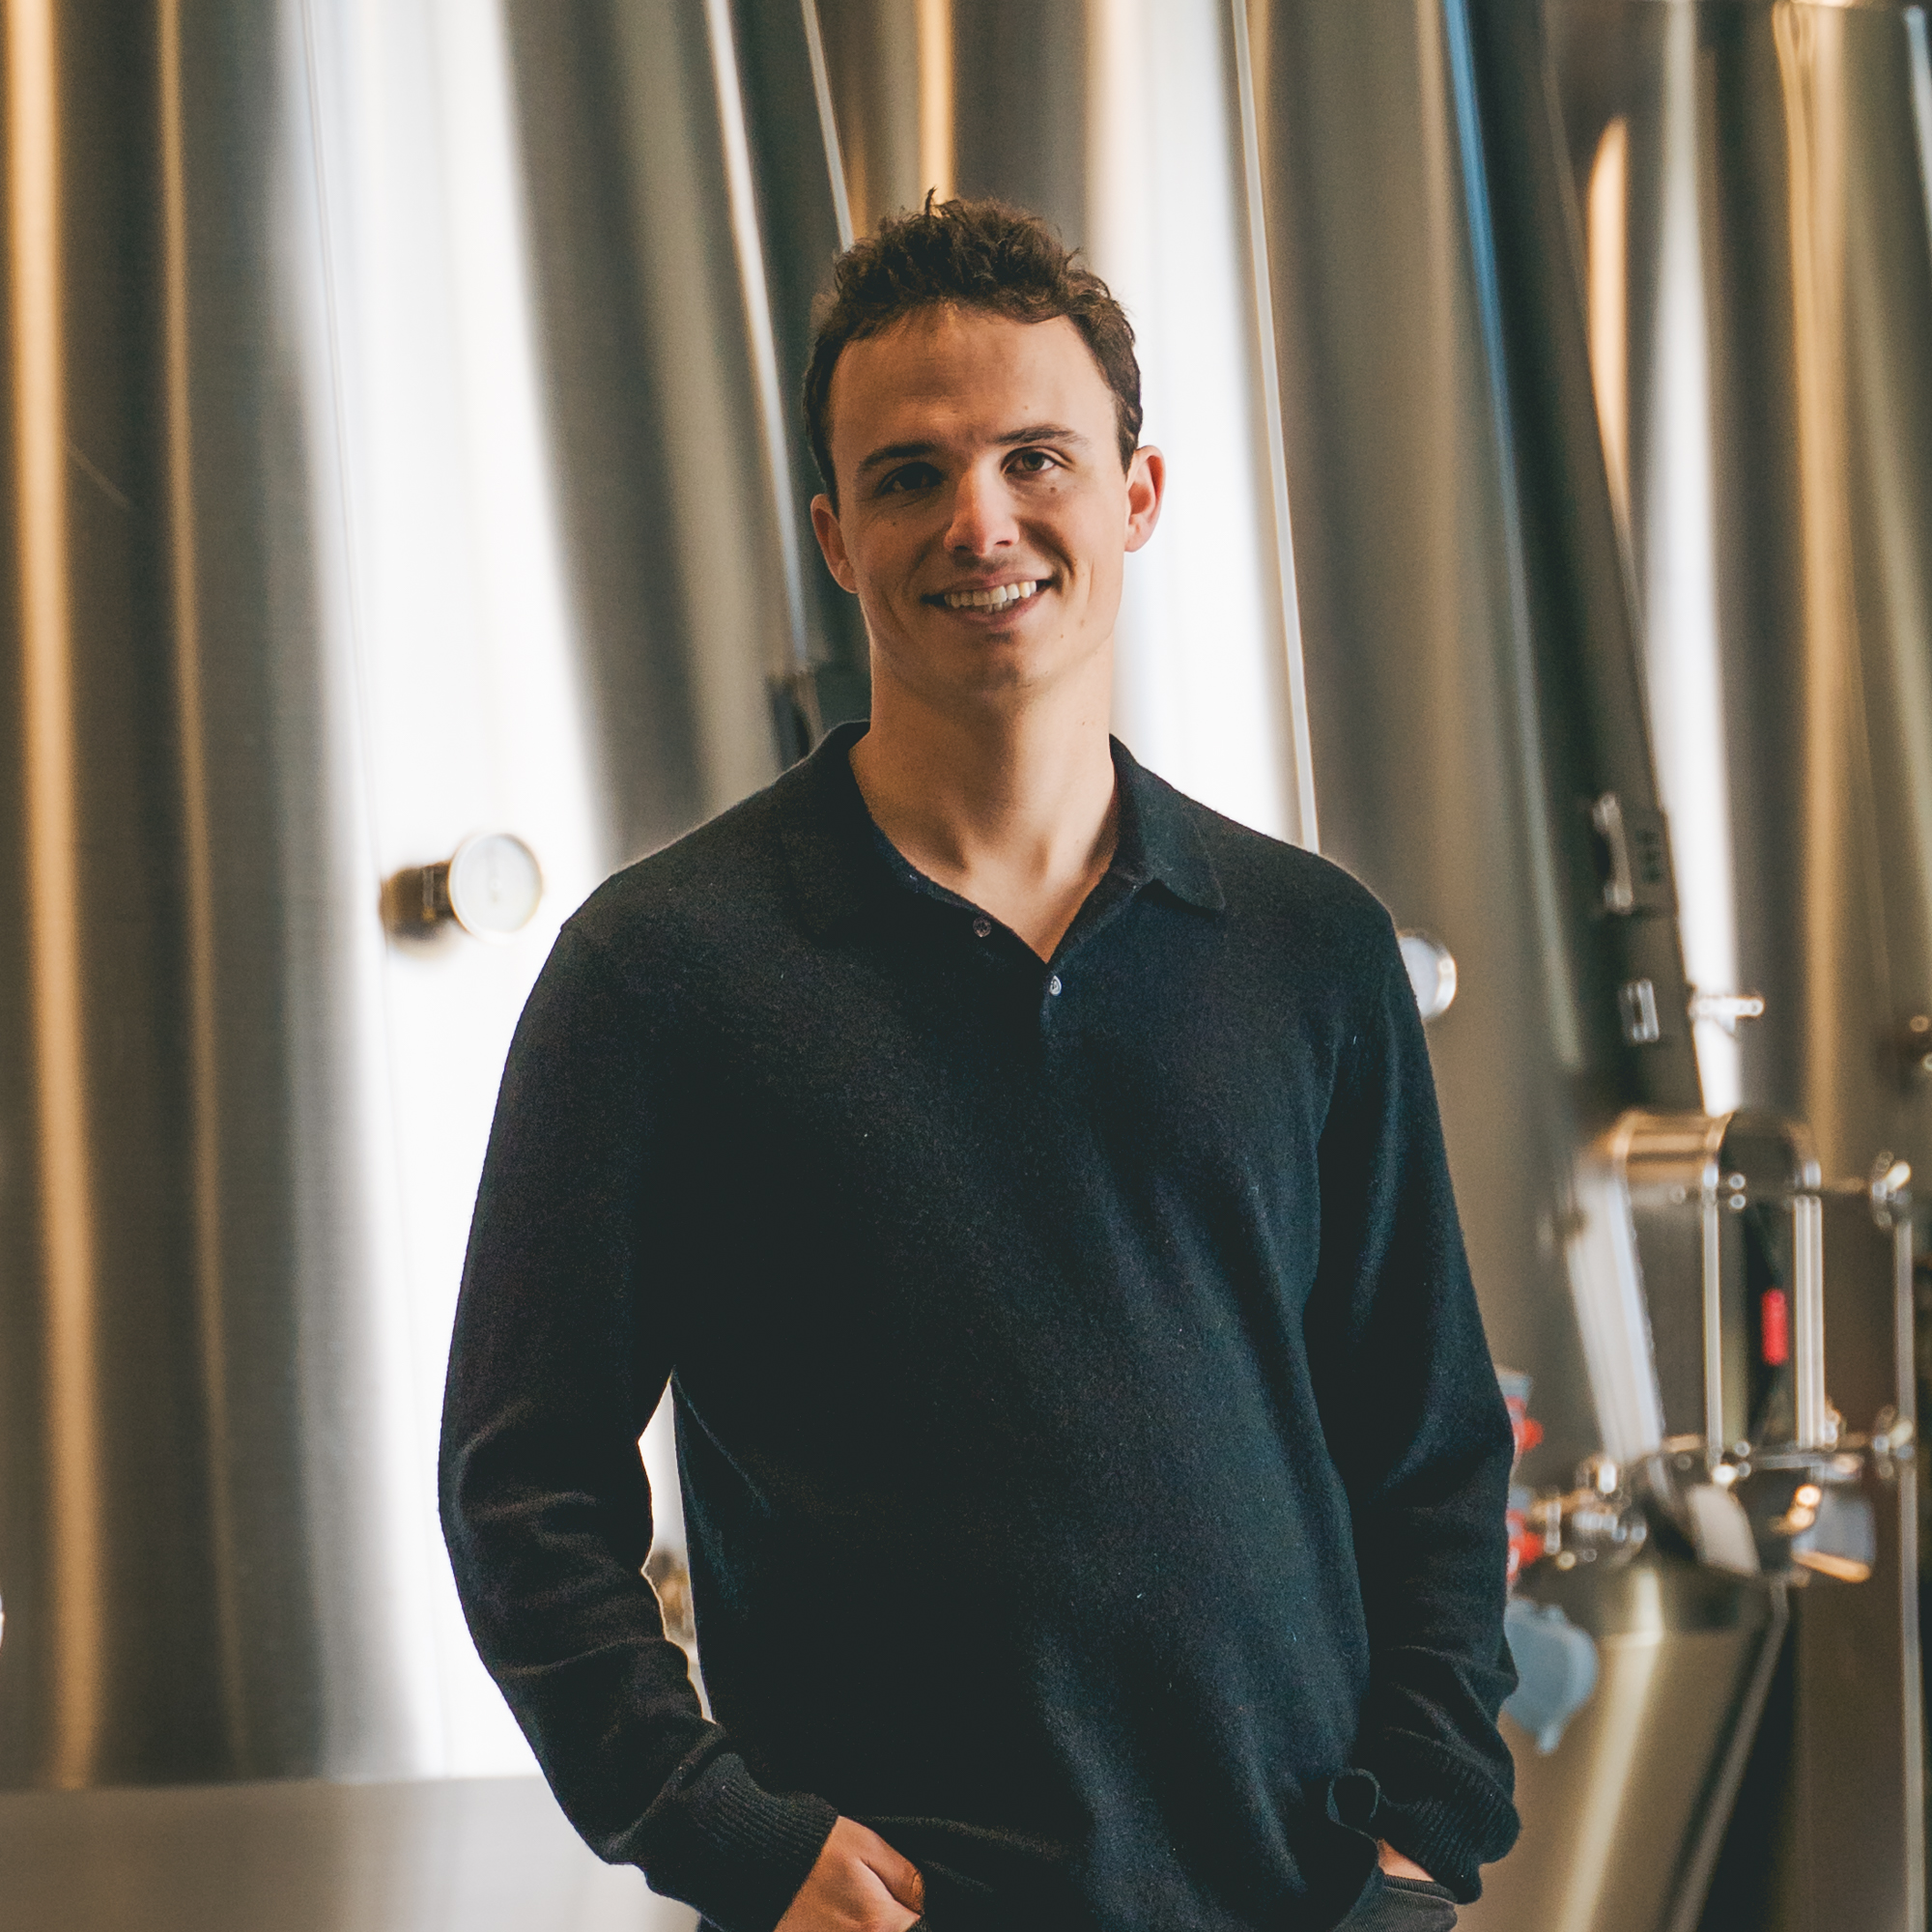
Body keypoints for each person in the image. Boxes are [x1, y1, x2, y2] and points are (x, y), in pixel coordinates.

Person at [440, 197, 1519, 1932]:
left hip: (1299, 1903)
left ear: (1136, 494)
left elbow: (1433, 1454)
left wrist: (1418, 1847)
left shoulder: (1308, 949)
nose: (980, 522)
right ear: (835, 536)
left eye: (1036, 459)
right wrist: (712, 1825)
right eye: (909, 476)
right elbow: (523, 1482)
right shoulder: (663, 975)